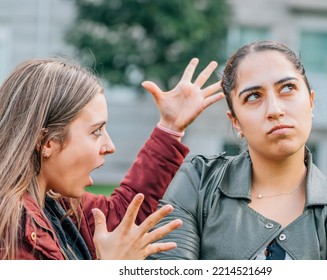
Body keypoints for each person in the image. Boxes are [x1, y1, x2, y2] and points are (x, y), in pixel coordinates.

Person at [147, 40, 327, 260]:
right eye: (254, 96)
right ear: (235, 121)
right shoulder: (196, 183)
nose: (275, 109)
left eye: (288, 88)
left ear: (310, 101)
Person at [0, 56, 224, 260]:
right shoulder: (13, 231)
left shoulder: (56, 204)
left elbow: (121, 216)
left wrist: (170, 128)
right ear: (47, 143)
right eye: (96, 131)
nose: (110, 146)